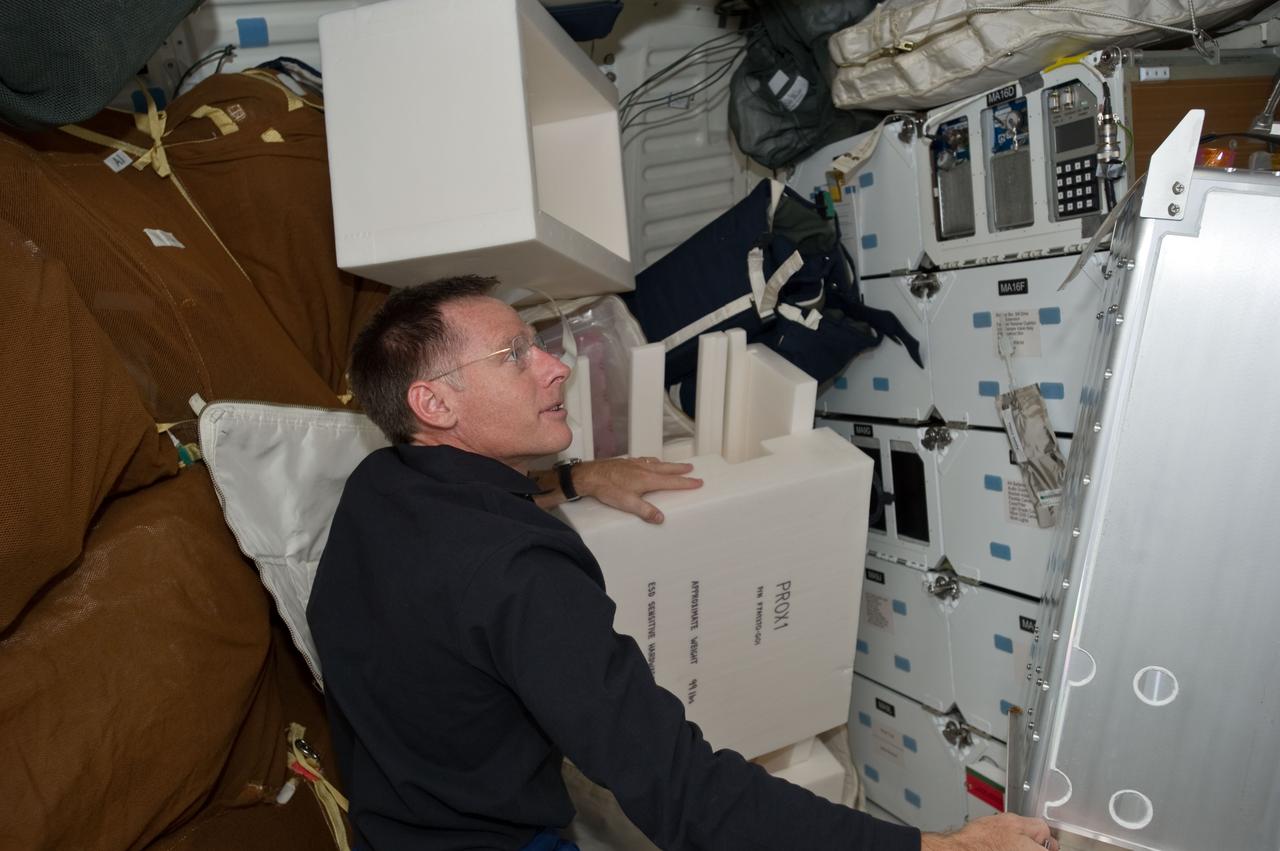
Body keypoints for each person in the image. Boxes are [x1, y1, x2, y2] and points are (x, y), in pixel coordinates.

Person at [307, 276, 1058, 851]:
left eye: (537, 342)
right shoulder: (520, 576)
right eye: (514, 356)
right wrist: (931, 845)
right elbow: (682, 792)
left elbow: (467, 520)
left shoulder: (378, 490)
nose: (554, 367)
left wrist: (575, 478)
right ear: (435, 404)